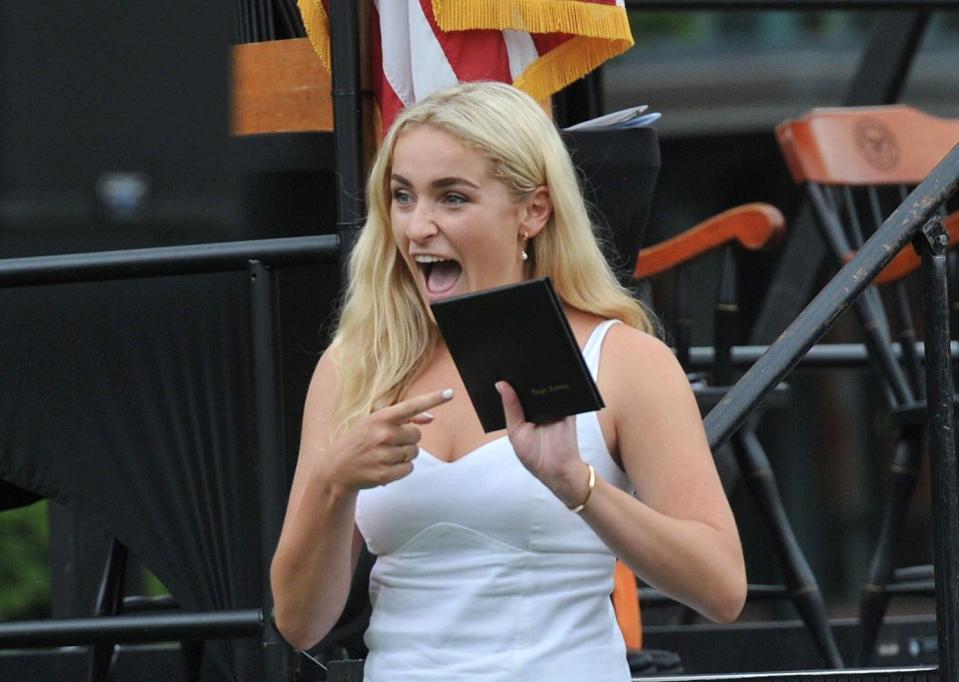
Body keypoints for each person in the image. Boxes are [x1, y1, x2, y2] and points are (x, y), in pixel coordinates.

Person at [270, 81, 746, 681]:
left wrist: (577, 484)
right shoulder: (355, 366)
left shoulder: (624, 359)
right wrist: (332, 486)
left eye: (452, 198)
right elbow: (299, 622)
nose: (417, 227)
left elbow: (722, 589)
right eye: (402, 196)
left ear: (533, 211)